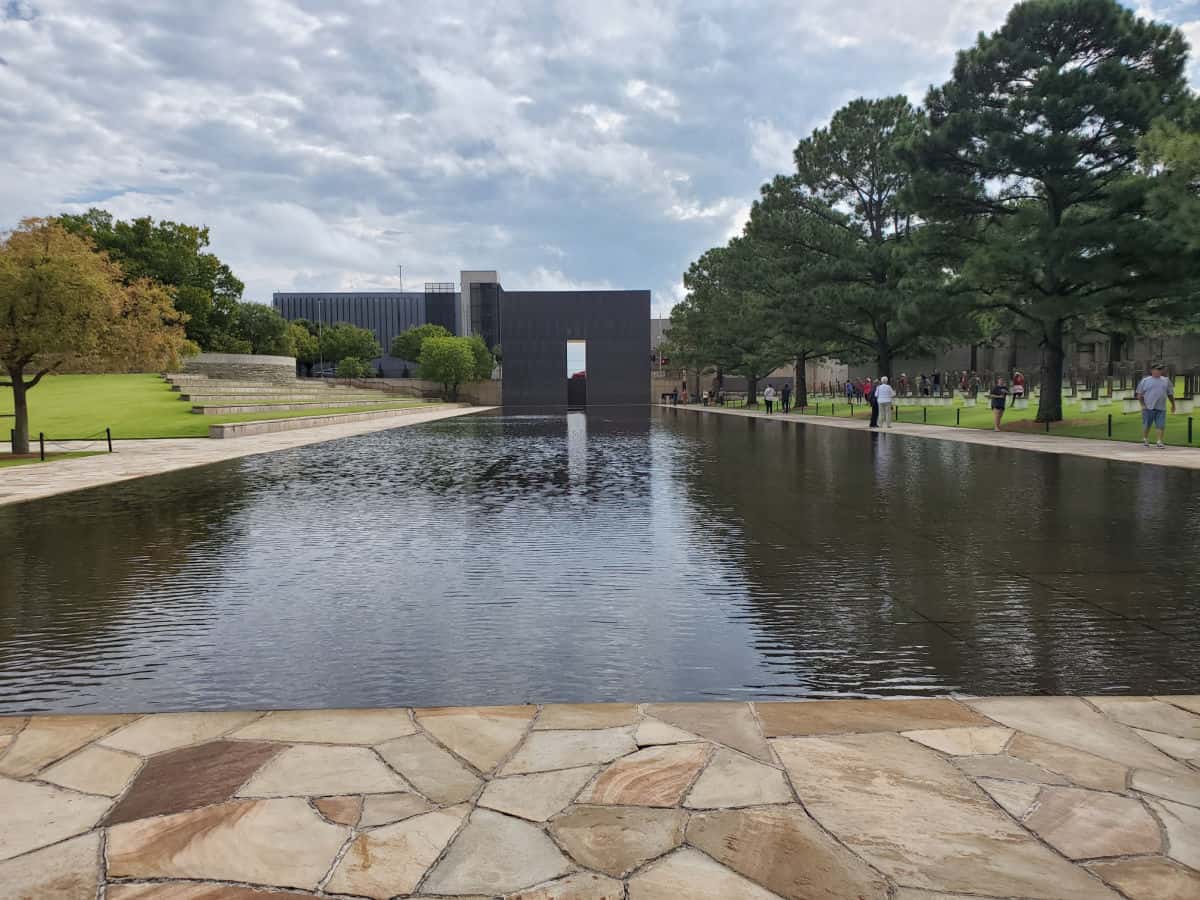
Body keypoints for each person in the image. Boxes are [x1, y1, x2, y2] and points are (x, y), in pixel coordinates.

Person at [1136, 363, 1176, 449]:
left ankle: (1159, 441)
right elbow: (1139, 395)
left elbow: (1170, 394)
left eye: (1160, 369)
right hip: (1148, 408)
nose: (1159, 371)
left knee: (1160, 425)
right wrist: (1143, 405)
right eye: (1157, 369)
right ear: (1152, 370)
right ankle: (1145, 439)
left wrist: (1173, 405)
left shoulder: (1166, 380)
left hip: (1161, 407)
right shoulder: (1145, 381)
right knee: (1147, 425)